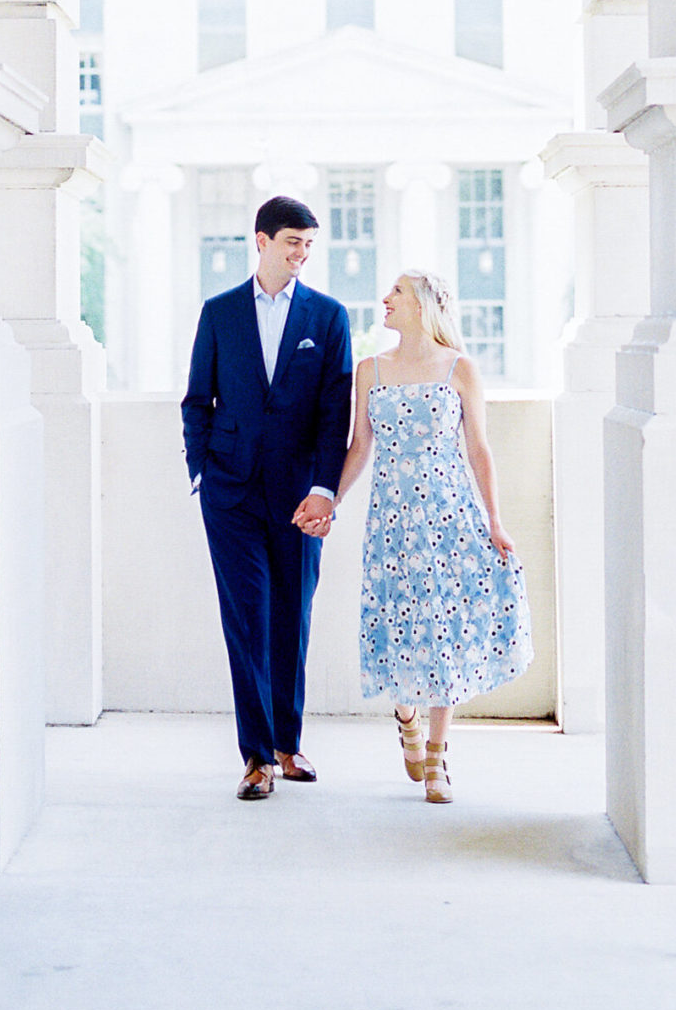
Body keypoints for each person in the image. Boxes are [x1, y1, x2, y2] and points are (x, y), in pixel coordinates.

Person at [306, 268, 531, 803]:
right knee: (397, 623)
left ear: (422, 304)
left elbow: (479, 448)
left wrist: (495, 521)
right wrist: (331, 501)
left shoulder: (459, 368)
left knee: (444, 631)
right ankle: (405, 714)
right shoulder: (371, 369)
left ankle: (436, 759)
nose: (385, 300)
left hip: (451, 514)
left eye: (397, 293)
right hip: (391, 520)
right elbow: (359, 446)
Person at [182, 195, 355, 800]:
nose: (301, 254)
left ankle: (289, 743)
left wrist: (323, 490)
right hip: (230, 493)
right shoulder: (220, 312)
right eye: (291, 243)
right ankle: (256, 758)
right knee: (247, 620)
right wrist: (201, 471)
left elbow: (338, 417)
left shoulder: (329, 318)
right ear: (261, 241)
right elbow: (196, 400)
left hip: (299, 499)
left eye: (309, 244)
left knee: (292, 618)